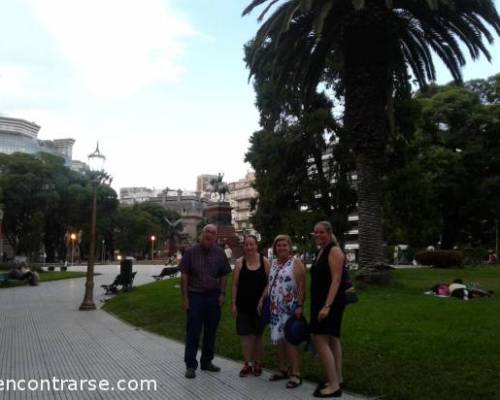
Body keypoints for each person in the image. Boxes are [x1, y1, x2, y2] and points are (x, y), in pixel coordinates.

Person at [180, 224, 232, 379]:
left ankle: (206, 361)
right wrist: (185, 298)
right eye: (207, 232)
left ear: (216, 236)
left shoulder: (220, 253)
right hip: (195, 296)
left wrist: (222, 293)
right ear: (202, 234)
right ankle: (190, 365)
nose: (210, 235)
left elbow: (224, 275)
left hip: (213, 297)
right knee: (193, 332)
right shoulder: (190, 252)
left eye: (213, 233)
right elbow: (184, 276)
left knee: (211, 331)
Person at [310, 221, 347, 398]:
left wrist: (327, 306)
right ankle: (337, 378)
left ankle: (333, 386)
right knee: (332, 340)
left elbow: (337, 280)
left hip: (328, 303)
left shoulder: (334, 250)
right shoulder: (322, 250)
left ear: (329, 233)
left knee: (320, 340)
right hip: (322, 301)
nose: (318, 235)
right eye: (315, 232)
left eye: (322, 232)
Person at [267, 234, 306, 389]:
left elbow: (302, 286)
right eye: (278, 245)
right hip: (275, 309)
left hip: (290, 309)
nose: (281, 248)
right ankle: (283, 369)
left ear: (290, 247)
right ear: (275, 248)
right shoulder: (274, 263)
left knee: (290, 340)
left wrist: (300, 305)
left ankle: (296, 373)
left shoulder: (295, 262)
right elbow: (270, 283)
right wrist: (262, 299)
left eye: (284, 245)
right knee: (279, 340)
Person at [231, 235, 270, 377]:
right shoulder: (239, 263)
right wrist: (233, 304)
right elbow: (235, 285)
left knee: (258, 336)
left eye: (251, 244)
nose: (249, 247)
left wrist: (262, 299)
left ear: (256, 245)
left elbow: (269, 283)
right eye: (246, 245)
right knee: (245, 336)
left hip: (259, 306)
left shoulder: (264, 261)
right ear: (244, 246)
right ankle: (247, 364)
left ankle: (258, 363)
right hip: (243, 305)